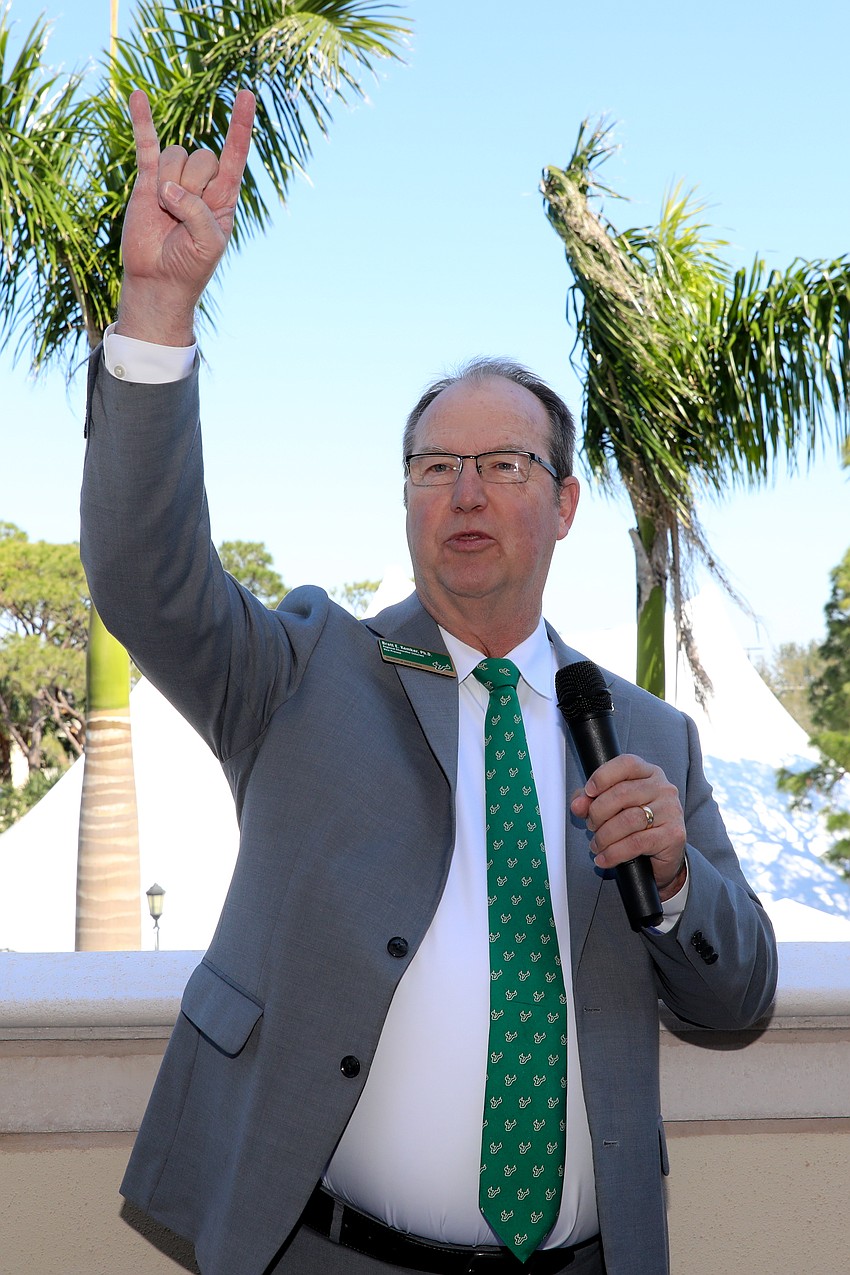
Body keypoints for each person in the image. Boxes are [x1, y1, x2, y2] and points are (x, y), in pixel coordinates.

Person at [80, 90, 777, 1275]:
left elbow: (738, 999)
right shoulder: (301, 670)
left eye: (504, 465)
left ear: (562, 505)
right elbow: (148, 579)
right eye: (435, 467)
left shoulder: (646, 733)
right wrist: (157, 308)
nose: (465, 493)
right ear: (404, 499)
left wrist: (670, 880)